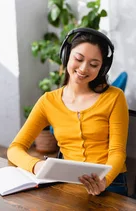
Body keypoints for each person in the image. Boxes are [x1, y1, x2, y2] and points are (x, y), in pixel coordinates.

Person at [7, 28, 129, 196]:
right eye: (79, 59)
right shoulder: (48, 101)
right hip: (67, 183)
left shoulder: (115, 97)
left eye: (94, 64)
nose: (84, 68)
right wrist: (37, 166)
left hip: (110, 182)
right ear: (66, 55)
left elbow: (117, 152)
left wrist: (104, 181)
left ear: (102, 68)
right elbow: (14, 148)